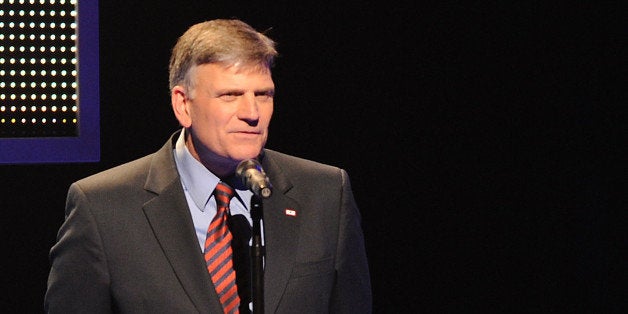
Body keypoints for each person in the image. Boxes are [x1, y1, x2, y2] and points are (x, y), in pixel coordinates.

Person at [45, 19, 372, 313]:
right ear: (182, 105)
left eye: (263, 94)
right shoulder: (103, 207)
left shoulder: (326, 192)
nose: (252, 112)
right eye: (230, 95)